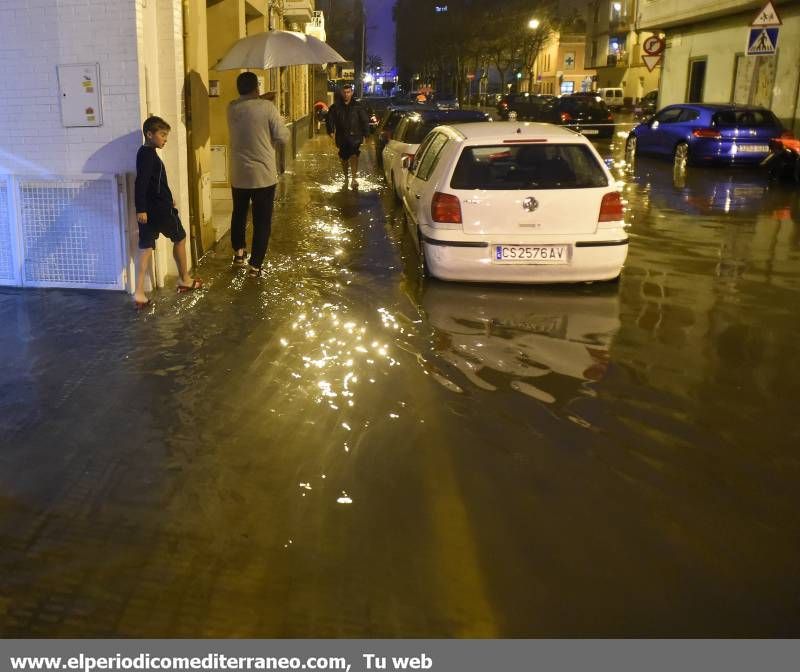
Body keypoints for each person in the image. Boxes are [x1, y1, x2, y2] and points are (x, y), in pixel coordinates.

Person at [134, 115, 201, 309]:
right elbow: (141, 183)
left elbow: (152, 183)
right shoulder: (149, 156)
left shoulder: (144, 153)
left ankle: (139, 293)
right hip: (159, 210)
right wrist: (142, 208)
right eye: (162, 135)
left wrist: (144, 208)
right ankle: (185, 280)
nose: (165, 139)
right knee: (180, 237)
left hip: (149, 210)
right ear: (149, 134)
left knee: (146, 248)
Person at [227, 72, 290, 277]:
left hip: (239, 174)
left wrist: (261, 100)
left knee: (239, 213)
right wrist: (275, 114)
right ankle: (255, 265)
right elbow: (283, 137)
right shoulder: (268, 108)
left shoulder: (231, 108)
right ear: (257, 88)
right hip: (263, 175)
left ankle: (238, 253)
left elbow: (247, 108)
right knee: (262, 220)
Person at [325, 83, 370, 189]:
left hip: (355, 136)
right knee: (344, 157)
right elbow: (329, 119)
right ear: (341, 93)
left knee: (354, 155)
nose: (346, 94)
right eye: (344, 92)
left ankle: (354, 178)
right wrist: (331, 131)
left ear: (352, 93)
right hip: (342, 136)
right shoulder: (336, 106)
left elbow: (364, 120)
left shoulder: (358, 106)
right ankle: (346, 177)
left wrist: (366, 134)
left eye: (348, 92)